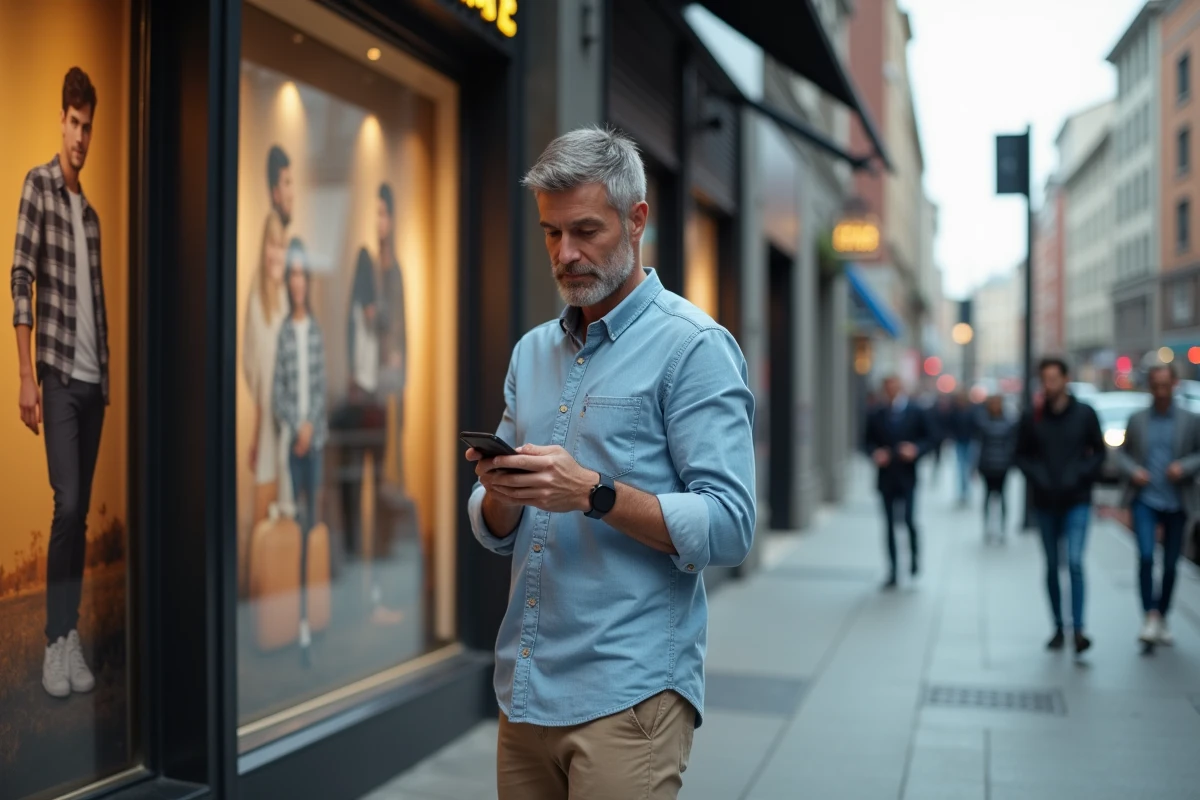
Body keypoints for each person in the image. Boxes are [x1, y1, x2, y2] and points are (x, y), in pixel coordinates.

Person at [465, 126, 755, 800]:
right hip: (525, 689)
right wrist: (500, 488)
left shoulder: (695, 348)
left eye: (585, 231)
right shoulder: (531, 352)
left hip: (630, 696)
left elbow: (732, 525)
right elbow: (495, 525)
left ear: (637, 219)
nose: (565, 253)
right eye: (551, 232)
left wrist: (595, 492)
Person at [11, 68, 110, 698]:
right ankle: (55, 642)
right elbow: (20, 277)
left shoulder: (91, 217)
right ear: (61, 120)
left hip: (94, 385)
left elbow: (94, 305)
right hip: (58, 375)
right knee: (68, 505)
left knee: (80, 517)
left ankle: (70, 635)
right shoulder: (37, 188)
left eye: (88, 127)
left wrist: (107, 381)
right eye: (73, 123)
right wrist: (27, 374)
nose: (80, 137)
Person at [336, 182, 407, 626]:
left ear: (392, 219)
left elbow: (400, 338)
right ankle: (352, 594)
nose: (380, 222)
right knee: (349, 493)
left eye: (385, 214)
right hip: (360, 397)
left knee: (379, 495)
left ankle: (375, 593)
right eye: (376, 213)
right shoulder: (365, 264)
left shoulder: (394, 271)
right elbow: (364, 321)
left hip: (383, 401)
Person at [1015, 357, 1105, 654]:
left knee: (1075, 562)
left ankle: (1078, 629)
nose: (1049, 385)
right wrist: (1039, 477)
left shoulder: (1084, 414)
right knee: (1053, 566)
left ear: (1066, 379)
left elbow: (1099, 453)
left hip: (1076, 500)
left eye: (1054, 379)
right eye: (1045, 380)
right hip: (1046, 502)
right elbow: (1021, 455)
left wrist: (1080, 474)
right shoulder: (1033, 416)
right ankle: (1058, 626)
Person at [1116, 364, 1200, 648]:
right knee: (1146, 556)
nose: (1161, 392)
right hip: (1146, 498)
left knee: (1172, 564)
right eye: (1156, 386)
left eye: (1165, 385)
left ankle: (1162, 615)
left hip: (1177, 500)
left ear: (1174, 384)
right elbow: (1122, 455)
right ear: (1149, 387)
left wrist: (1183, 467)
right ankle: (1149, 615)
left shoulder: (1190, 420)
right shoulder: (1138, 419)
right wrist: (1134, 472)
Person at [272, 238, 328, 665]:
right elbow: (278, 392)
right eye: (290, 275)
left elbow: (322, 389)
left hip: (316, 441)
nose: (296, 282)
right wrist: (297, 426)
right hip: (295, 444)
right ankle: (295, 621)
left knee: (312, 525)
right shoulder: (284, 335)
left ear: (307, 281)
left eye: (300, 275)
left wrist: (310, 426)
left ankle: (309, 618)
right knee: (296, 524)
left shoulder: (316, 333)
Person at [864, 375, 934, 588]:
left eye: (894, 386)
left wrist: (916, 450)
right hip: (886, 477)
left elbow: (930, 438)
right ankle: (893, 569)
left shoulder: (916, 411)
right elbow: (865, 442)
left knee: (909, 520)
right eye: (888, 387)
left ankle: (914, 559)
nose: (891, 390)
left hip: (907, 476)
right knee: (888, 525)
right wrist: (875, 453)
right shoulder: (876, 413)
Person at [243, 210, 288, 524]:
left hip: (290, 421)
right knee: (262, 509)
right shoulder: (257, 298)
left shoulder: (290, 296)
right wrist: (258, 431)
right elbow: (255, 369)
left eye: (281, 246)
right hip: (267, 419)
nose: (276, 253)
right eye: (272, 245)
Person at [976, 394, 1016, 540]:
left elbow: (1011, 444)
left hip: (1002, 466)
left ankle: (1002, 528)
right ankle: (988, 527)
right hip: (988, 465)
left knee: (1002, 496)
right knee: (987, 497)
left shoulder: (1008, 422)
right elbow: (979, 446)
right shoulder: (984, 422)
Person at [949, 391, 979, 506]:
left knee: (968, 468)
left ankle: (966, 491)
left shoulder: (972, 411)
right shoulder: (955, 411)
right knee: (961, 468)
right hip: (960, 442)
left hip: (970, 441)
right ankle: (963, 493)